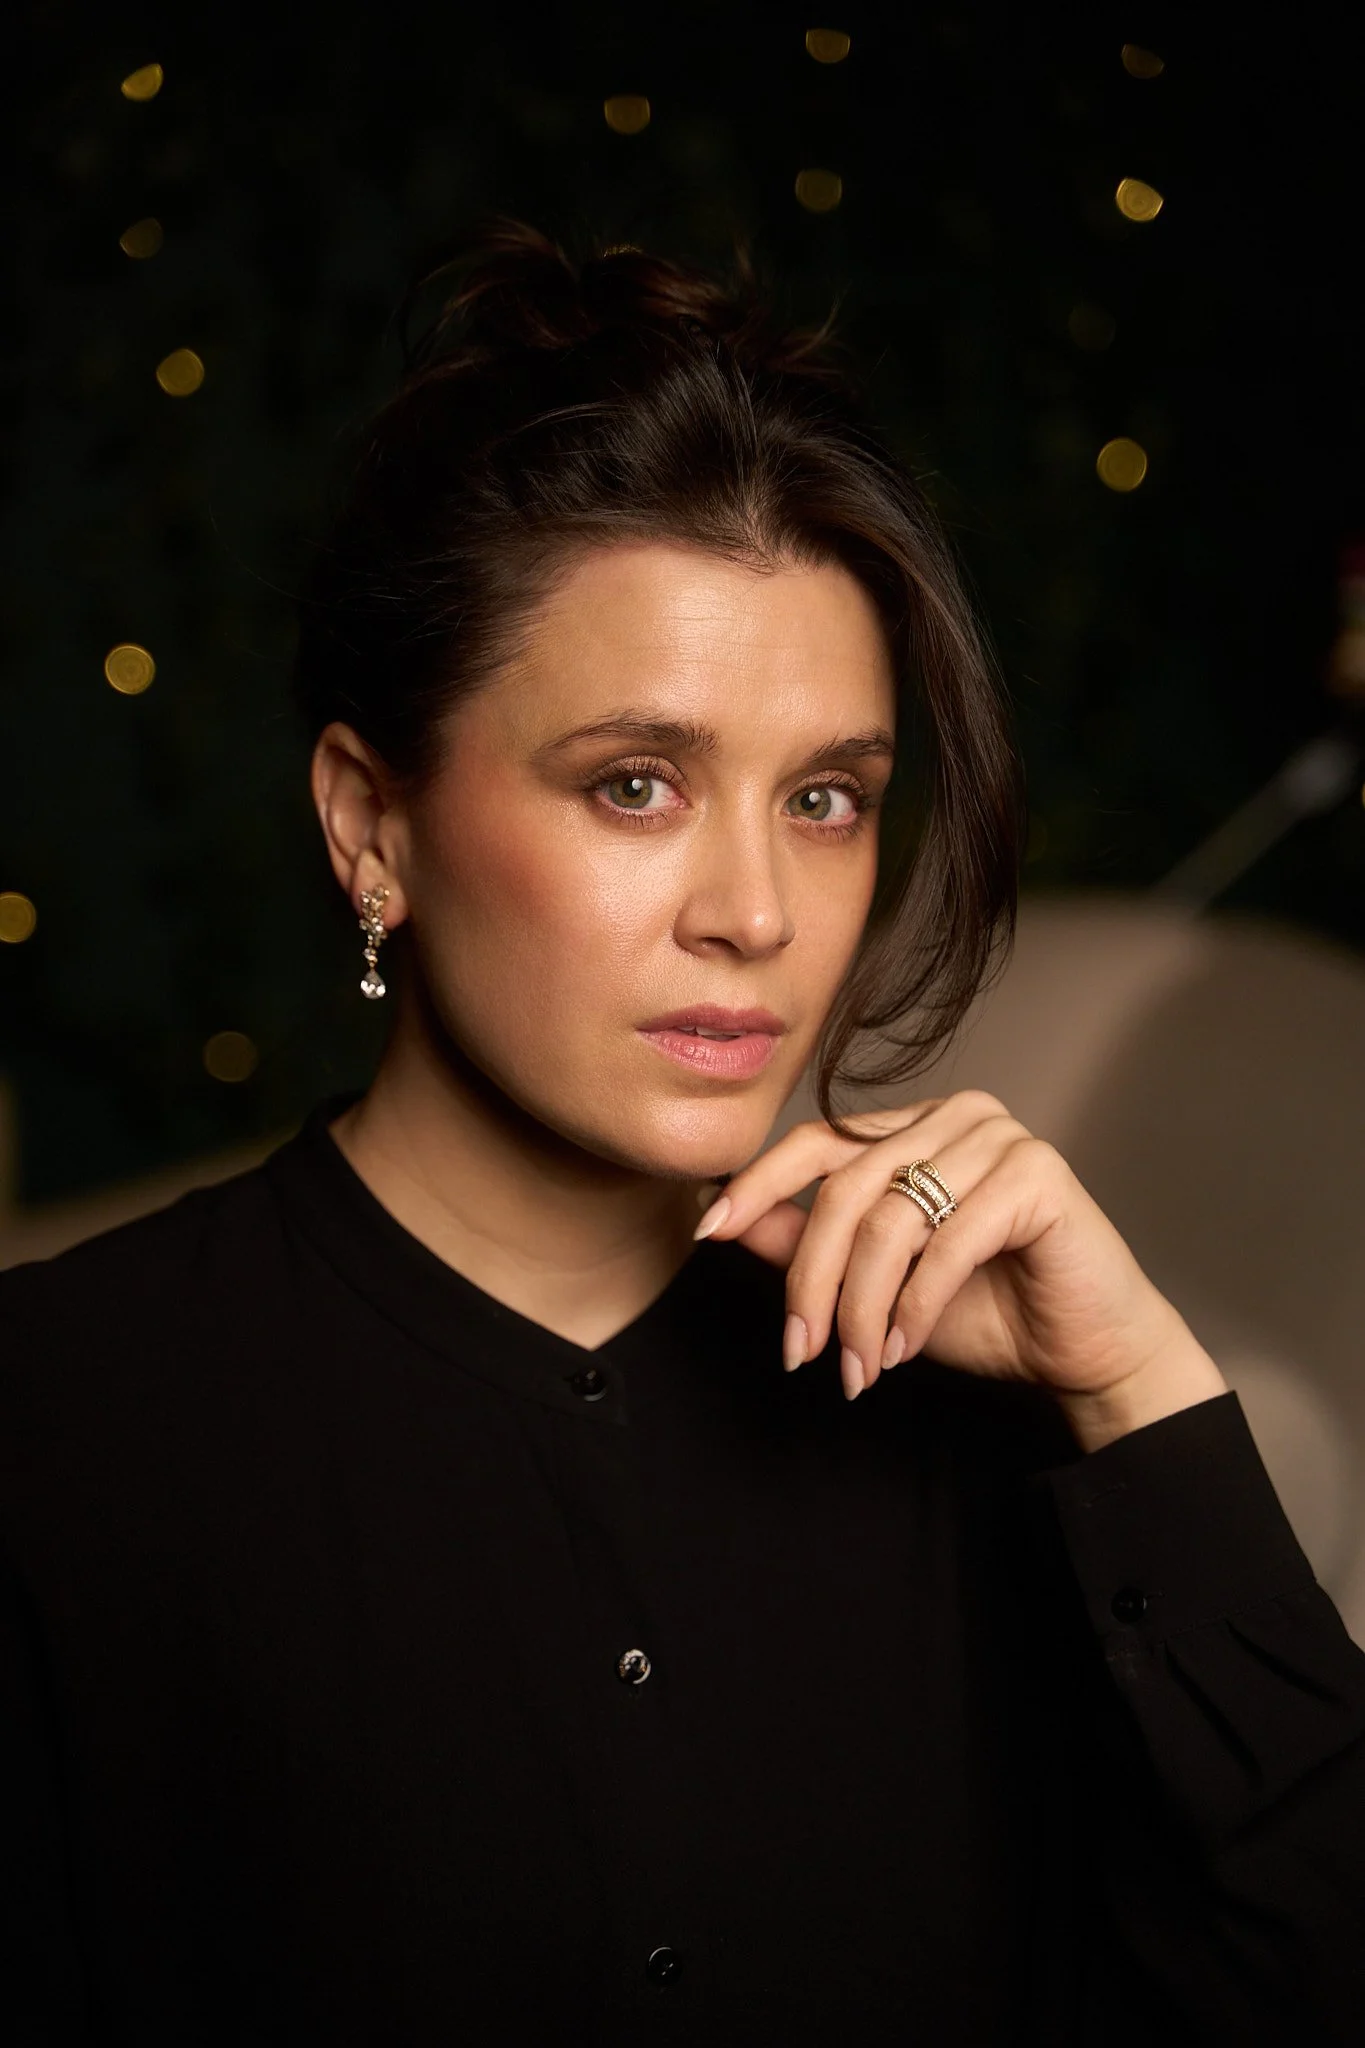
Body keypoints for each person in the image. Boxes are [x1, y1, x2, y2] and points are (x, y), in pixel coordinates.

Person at [2, 221, 1362, 2047]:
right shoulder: (62, 1425)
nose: (758, 911)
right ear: (369, 827)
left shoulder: (990, 1424)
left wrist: (1135, 1396)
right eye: (635, 784)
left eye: (826, 799)